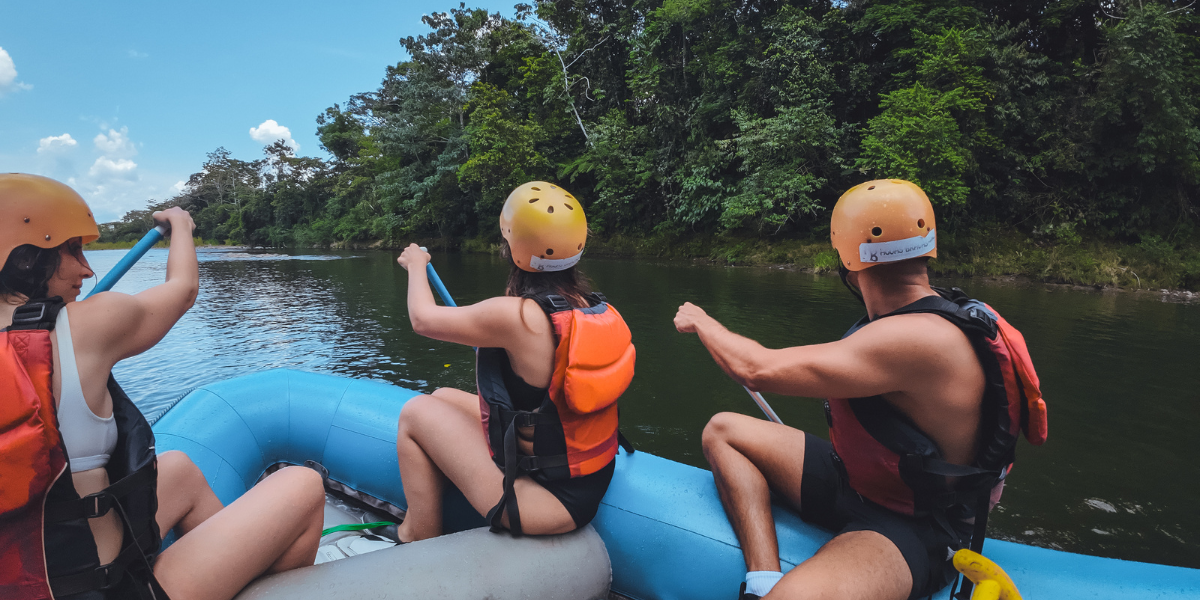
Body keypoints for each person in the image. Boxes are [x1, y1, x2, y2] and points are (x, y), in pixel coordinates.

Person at [674, 179, 1047, 600]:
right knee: (723, 430)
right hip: (857, 483)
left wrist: (702, 321)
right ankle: (764, 580)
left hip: (916, 524)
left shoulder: (916, 339)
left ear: (848, 260)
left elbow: (754, 369)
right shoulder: (919, 315)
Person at [0, 174, 325, 600]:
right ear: (25, 259)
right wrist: (181, 224)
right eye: (72, 249)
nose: (87, 268)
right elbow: (182, 290)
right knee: (301, 484)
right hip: (106, 590)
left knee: (178, 469)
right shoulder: (86, 325)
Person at [393, 181, 635, 542]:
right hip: (585, 479)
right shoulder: (590, 305)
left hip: (548, 502)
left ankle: (416, 533)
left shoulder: (517, 317)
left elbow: (423, 320)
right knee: (441, 394)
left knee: (415, 413)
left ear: (511, 246)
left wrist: (416, 264)